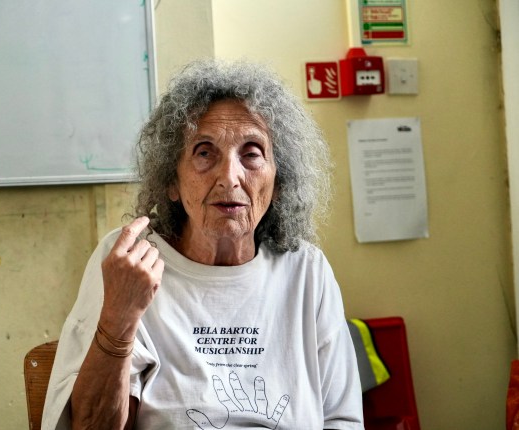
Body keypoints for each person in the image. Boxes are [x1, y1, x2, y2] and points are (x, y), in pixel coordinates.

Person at [41, 59, 363, 429]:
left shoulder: (306, 270)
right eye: (205, 152)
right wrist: (119, 319)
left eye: (251, 153)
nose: (230, 177)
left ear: (279, 181)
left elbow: (342, 418)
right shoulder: (130, 261)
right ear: (172, 181)